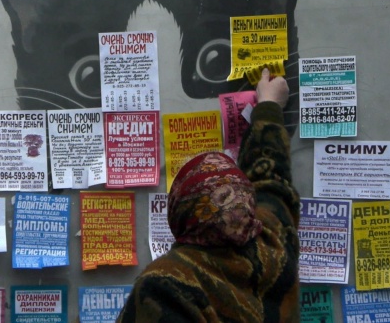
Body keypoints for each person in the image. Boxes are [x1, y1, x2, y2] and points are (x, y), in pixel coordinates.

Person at [116, 68, 300, 323]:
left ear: (180, 212)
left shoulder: (166, 284)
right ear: (247, 199)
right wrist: (269, 105)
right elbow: (272, 179)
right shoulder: (274, 243)